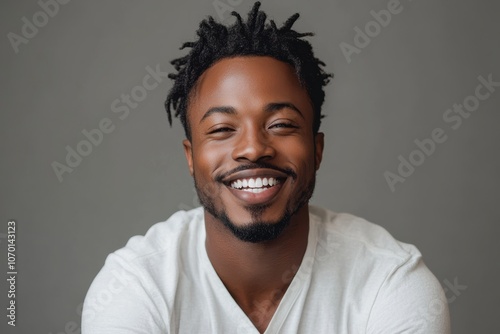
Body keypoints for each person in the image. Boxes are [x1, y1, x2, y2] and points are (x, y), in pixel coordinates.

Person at [82, 2, 451, 333]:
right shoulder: (135, 286)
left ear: (317, 149)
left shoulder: (390, 282)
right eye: (222, 129)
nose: (254, 148)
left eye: (281, 124)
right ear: (191, 157)